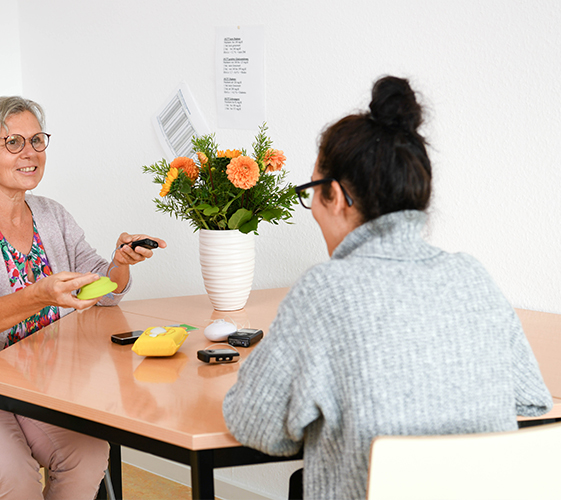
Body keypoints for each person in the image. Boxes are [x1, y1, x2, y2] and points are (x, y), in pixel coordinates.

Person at [222, 76, 552, 500]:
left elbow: (257, 425)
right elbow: (529, 400)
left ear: (336, 196)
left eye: (312, 193)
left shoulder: (326, 290)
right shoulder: (472, 277)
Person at [0, 96, 166, 500]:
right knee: (11, 472)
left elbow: (98, 287)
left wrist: (118, 265)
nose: (29, 153)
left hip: (41, 386)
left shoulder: (52, 215)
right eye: (13, 142)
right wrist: (39, 295)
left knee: (89, 450)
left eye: (37, 140)